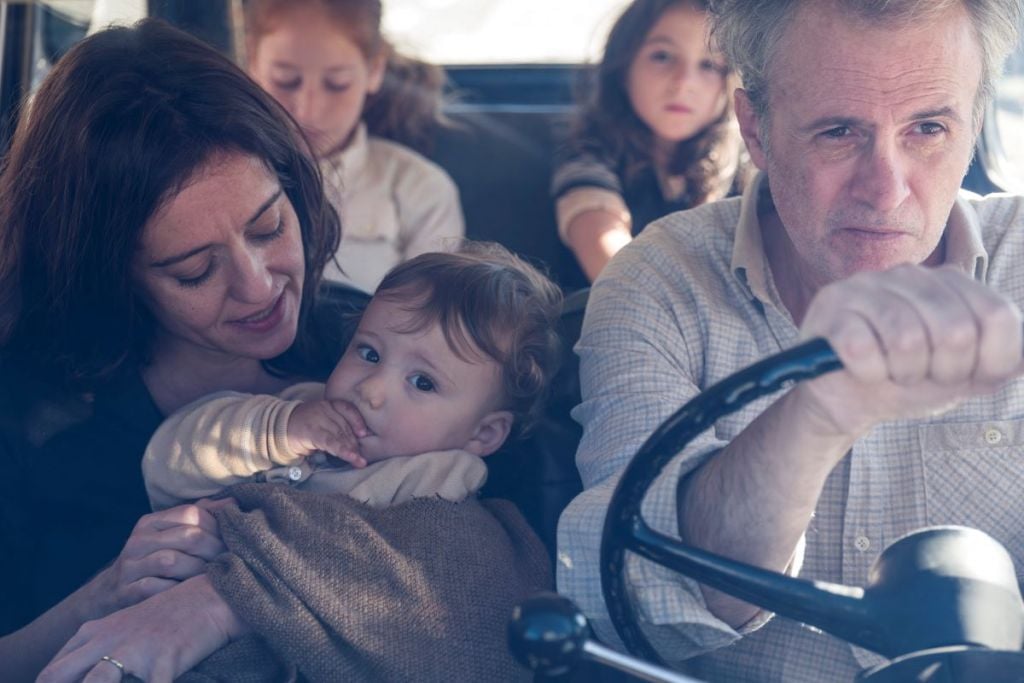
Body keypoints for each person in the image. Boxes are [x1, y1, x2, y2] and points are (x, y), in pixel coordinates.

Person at [0, 20, 546, 683]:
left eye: (269, 226)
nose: (260, 285)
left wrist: (224, 598)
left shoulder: (364, 334)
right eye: (193, 271)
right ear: (111, 276)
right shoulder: (34, 420)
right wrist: (102, 596)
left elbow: (507, 567)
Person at [557, 0, 1024, 680]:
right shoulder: (662, 281)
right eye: (839, 131)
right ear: (756, 128)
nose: (886, 191)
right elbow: (636, 594)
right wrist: (820, 412)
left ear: (974, 126)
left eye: (928, 127)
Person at [142, 245, 563, 513]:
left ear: (483, 434)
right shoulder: (296, 409)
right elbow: (162, 470)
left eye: (422, 383)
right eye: (369, 353)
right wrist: (277, 432)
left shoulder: (438, 484)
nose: (372, 388)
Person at [245, 0, 465, 293]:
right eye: (286, 81)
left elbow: (425, 329)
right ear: (251, 59)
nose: (309, 110)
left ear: (374, 69)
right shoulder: (219, 175)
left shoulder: (422, 191)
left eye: (337, 84)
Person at [551, 0, 746, 282]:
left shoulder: (746, 161)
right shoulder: (588, 150)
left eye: (709, 64)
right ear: (623, 67)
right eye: (662, 56)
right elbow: (614, 265)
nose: (683, 83)